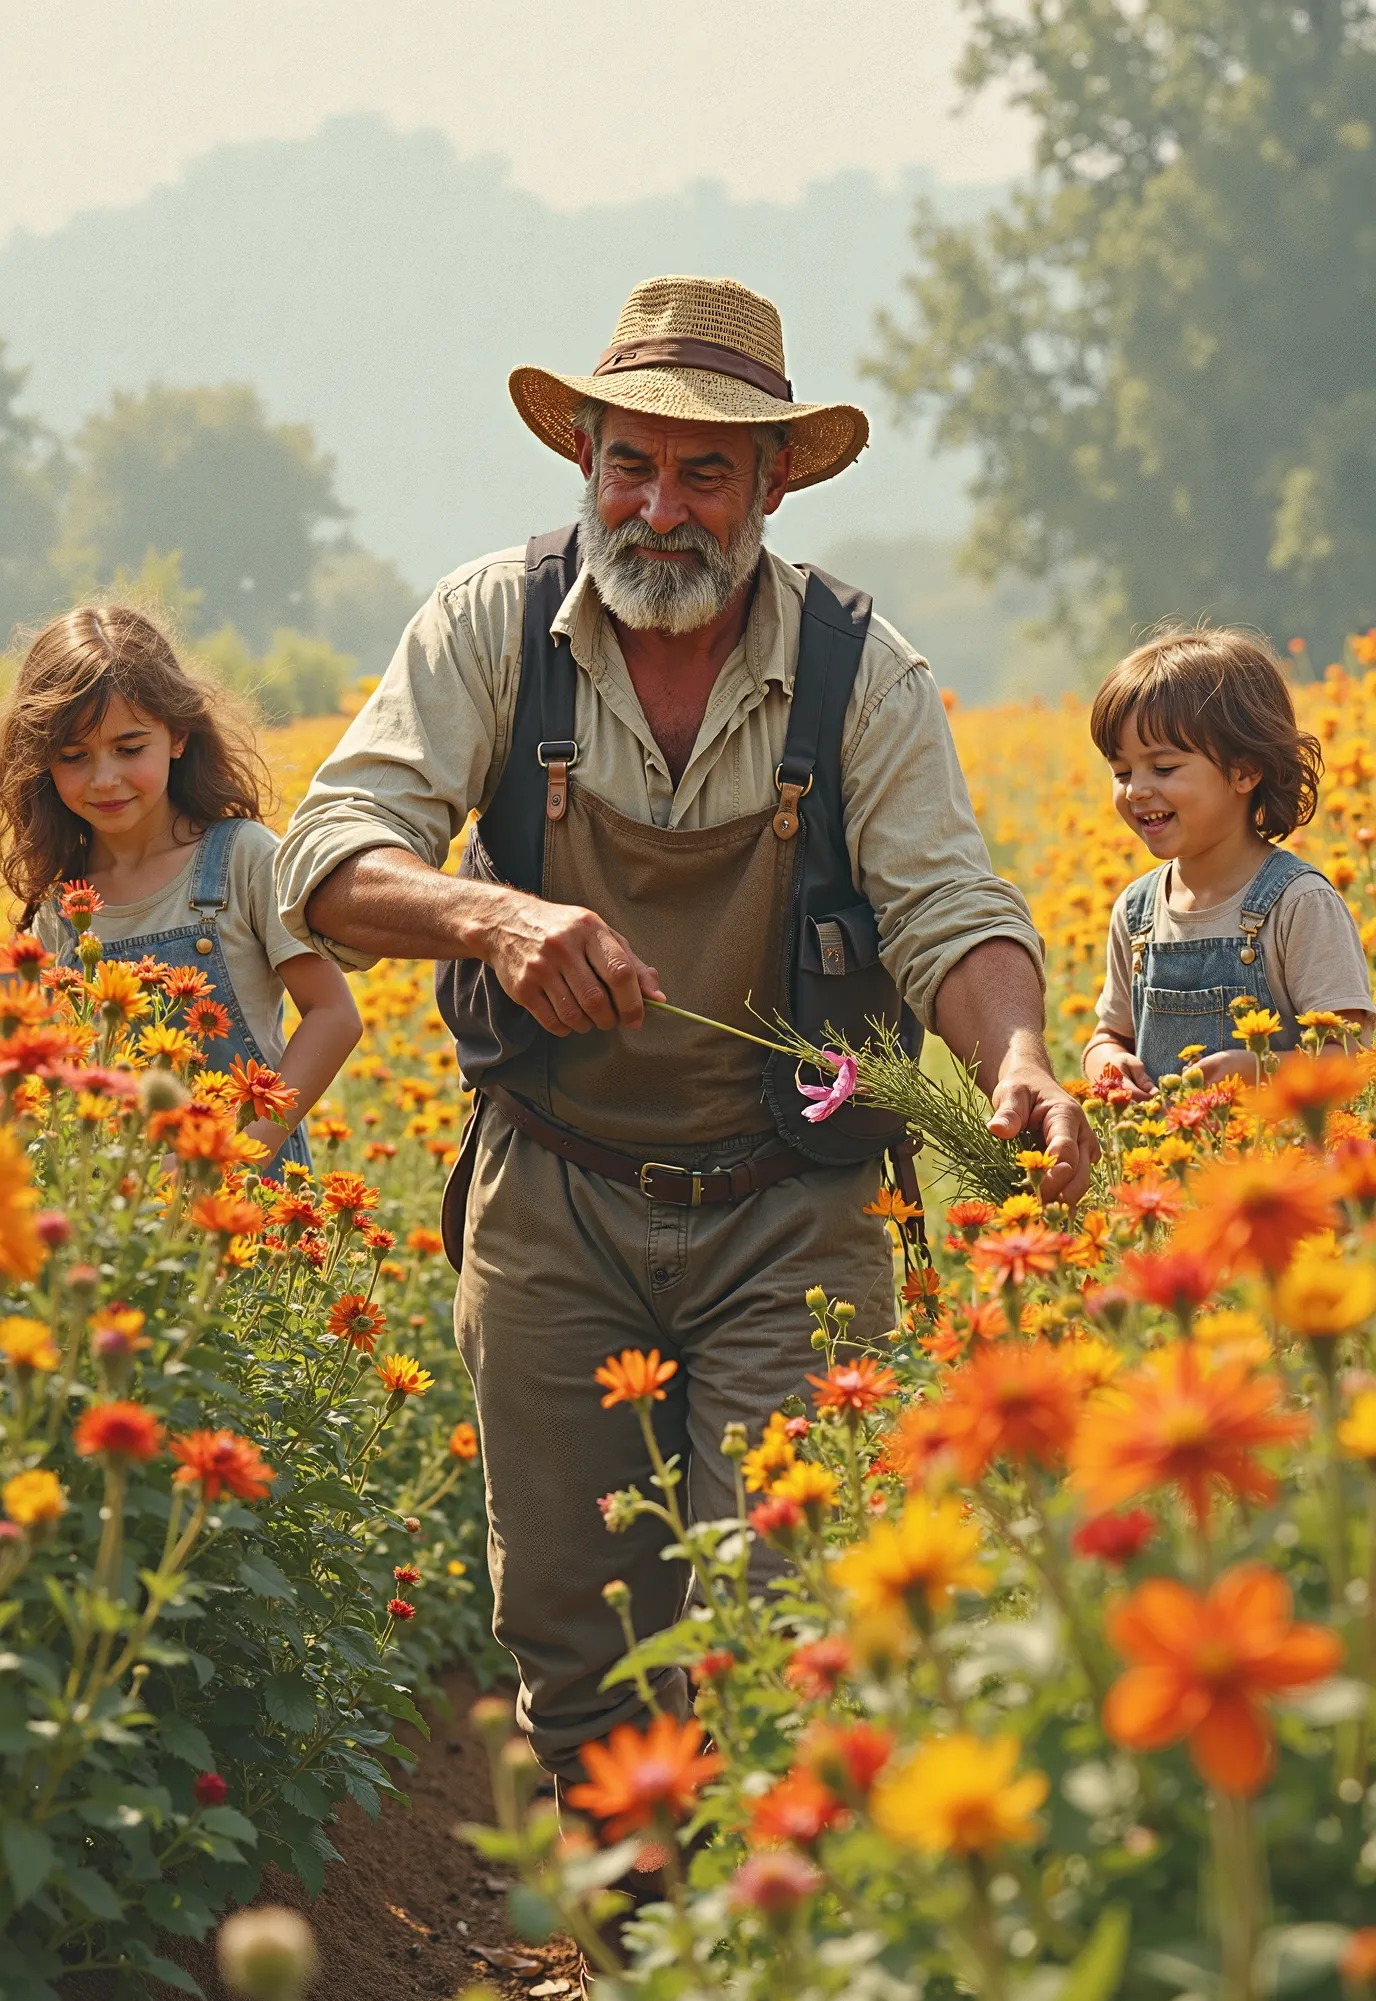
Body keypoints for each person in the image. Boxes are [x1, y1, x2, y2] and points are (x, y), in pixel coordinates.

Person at [276, 274, 1096, 1784]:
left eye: (704, 470)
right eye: (629, 464)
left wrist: (1020, 1061)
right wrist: (494, 918)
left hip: (790, 1208)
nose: (660, 507)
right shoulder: (493, 625)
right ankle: (628, 1976)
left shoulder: (860, 669)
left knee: (780, 1634)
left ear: (773, 481)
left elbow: (948, 911)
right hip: (554, 1194)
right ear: (581, 460)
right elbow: (327, 855)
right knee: (574, 1642)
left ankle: (753, 1990)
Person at [1, 604, 361, 1162]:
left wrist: (237, 1155)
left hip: (243, 1203)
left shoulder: (242, 857)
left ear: (178, 736)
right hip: (118, 1213)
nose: (104, 778)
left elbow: (334, 1016)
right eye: (74, 756)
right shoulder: (61, 903)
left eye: (129, 748)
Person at [1083, 626, 1374, 1095]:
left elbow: (1350, 1059)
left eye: (1163, 768)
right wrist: (1109, 1064)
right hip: (1161, 1165)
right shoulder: (1136, 912)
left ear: (1244, 771)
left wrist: (1260, 1072)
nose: (1135, 789)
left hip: (1281, 1165)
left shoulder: (1299, 904)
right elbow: (1110, 1035)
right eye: (1121, 772)